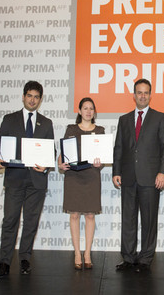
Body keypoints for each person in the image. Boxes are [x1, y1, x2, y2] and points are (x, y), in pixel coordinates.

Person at [0, 81, 54, 279]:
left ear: (40, 100)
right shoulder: (10, 119)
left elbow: (51, 151)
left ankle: (25, 258)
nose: (32, 100)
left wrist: (47, 164)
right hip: (15, 179)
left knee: (31, 222)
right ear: (23, 96)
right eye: (29, 95)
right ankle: (4, 262)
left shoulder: (46, 123)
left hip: (36, 181)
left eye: (36, 97)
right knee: (10, 220)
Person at [112, 78, 164, 273]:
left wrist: (163, 172)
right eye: (139, 92)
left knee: (149, 220)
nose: (143, 96)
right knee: (128, 219)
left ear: (150, 95)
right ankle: (128, 258)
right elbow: (119, 147)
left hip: (151, 178)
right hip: (128, 178)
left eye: (146, 92)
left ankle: (145, 259)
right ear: (134, 95)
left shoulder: (160, 117)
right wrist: (116, 171)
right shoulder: (124, 119)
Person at [58, 97, 104, 270]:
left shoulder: (100, 130)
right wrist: (60, 163)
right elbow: (63, 153)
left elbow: (103, 155)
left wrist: (102, 162)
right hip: (73, 177)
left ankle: (87, 253)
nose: (88, 111)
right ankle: (77, 252)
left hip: (92, 176)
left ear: (94, 111)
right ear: (79, 111)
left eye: (91, 108)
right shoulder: (71, 129)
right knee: (75, 215)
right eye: (85, 108)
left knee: (90, 215)